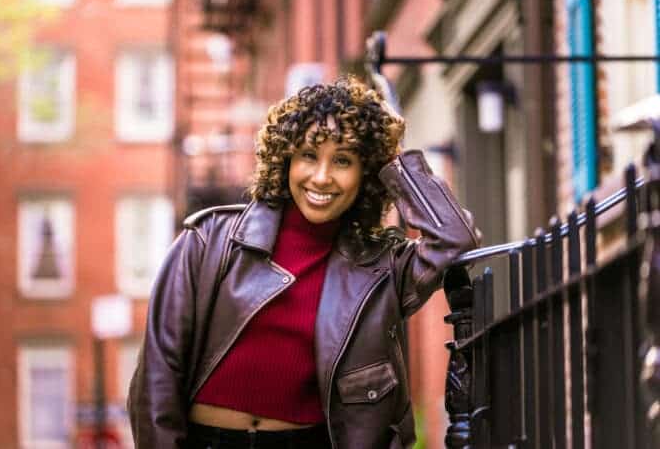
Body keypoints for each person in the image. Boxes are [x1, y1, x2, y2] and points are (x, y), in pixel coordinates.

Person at [127, 76, 480, 449]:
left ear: (365, 173)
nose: (322, 177)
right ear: (286, 159)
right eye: (309, 155)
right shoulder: (209, 239)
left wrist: (393, 159)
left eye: (343, 160)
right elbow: (158, 375)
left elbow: (453, 239)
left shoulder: (382, 267)